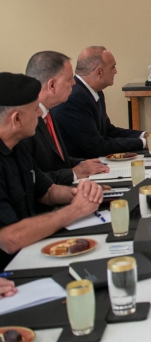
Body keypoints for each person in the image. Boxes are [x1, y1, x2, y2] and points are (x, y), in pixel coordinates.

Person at [0, 73, 105, 270]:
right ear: (16, 119)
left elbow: (47, 191)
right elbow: (9, 239)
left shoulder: (17, 146)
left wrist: (80, 194)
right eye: (34, 109)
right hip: (10, 267)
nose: (39, 114)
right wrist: (75, 210)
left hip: (30, 249)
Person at [51, 46, 151, 159]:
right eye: (113, 67)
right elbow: (95, 146)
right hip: (81, 164)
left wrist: (144, 135)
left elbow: (108, 130)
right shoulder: (75, 98)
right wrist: (144, 142)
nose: (115, 71)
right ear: (99, 72)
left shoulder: (95, 92)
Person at [24, 51, 109, 187]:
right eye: (69, 79)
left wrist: (82, 163)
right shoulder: (26, 123)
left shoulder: (48, 111)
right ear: (52, 85)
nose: (74, 83)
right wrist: (74, 173)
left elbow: (58, 159)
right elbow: (31, 179)